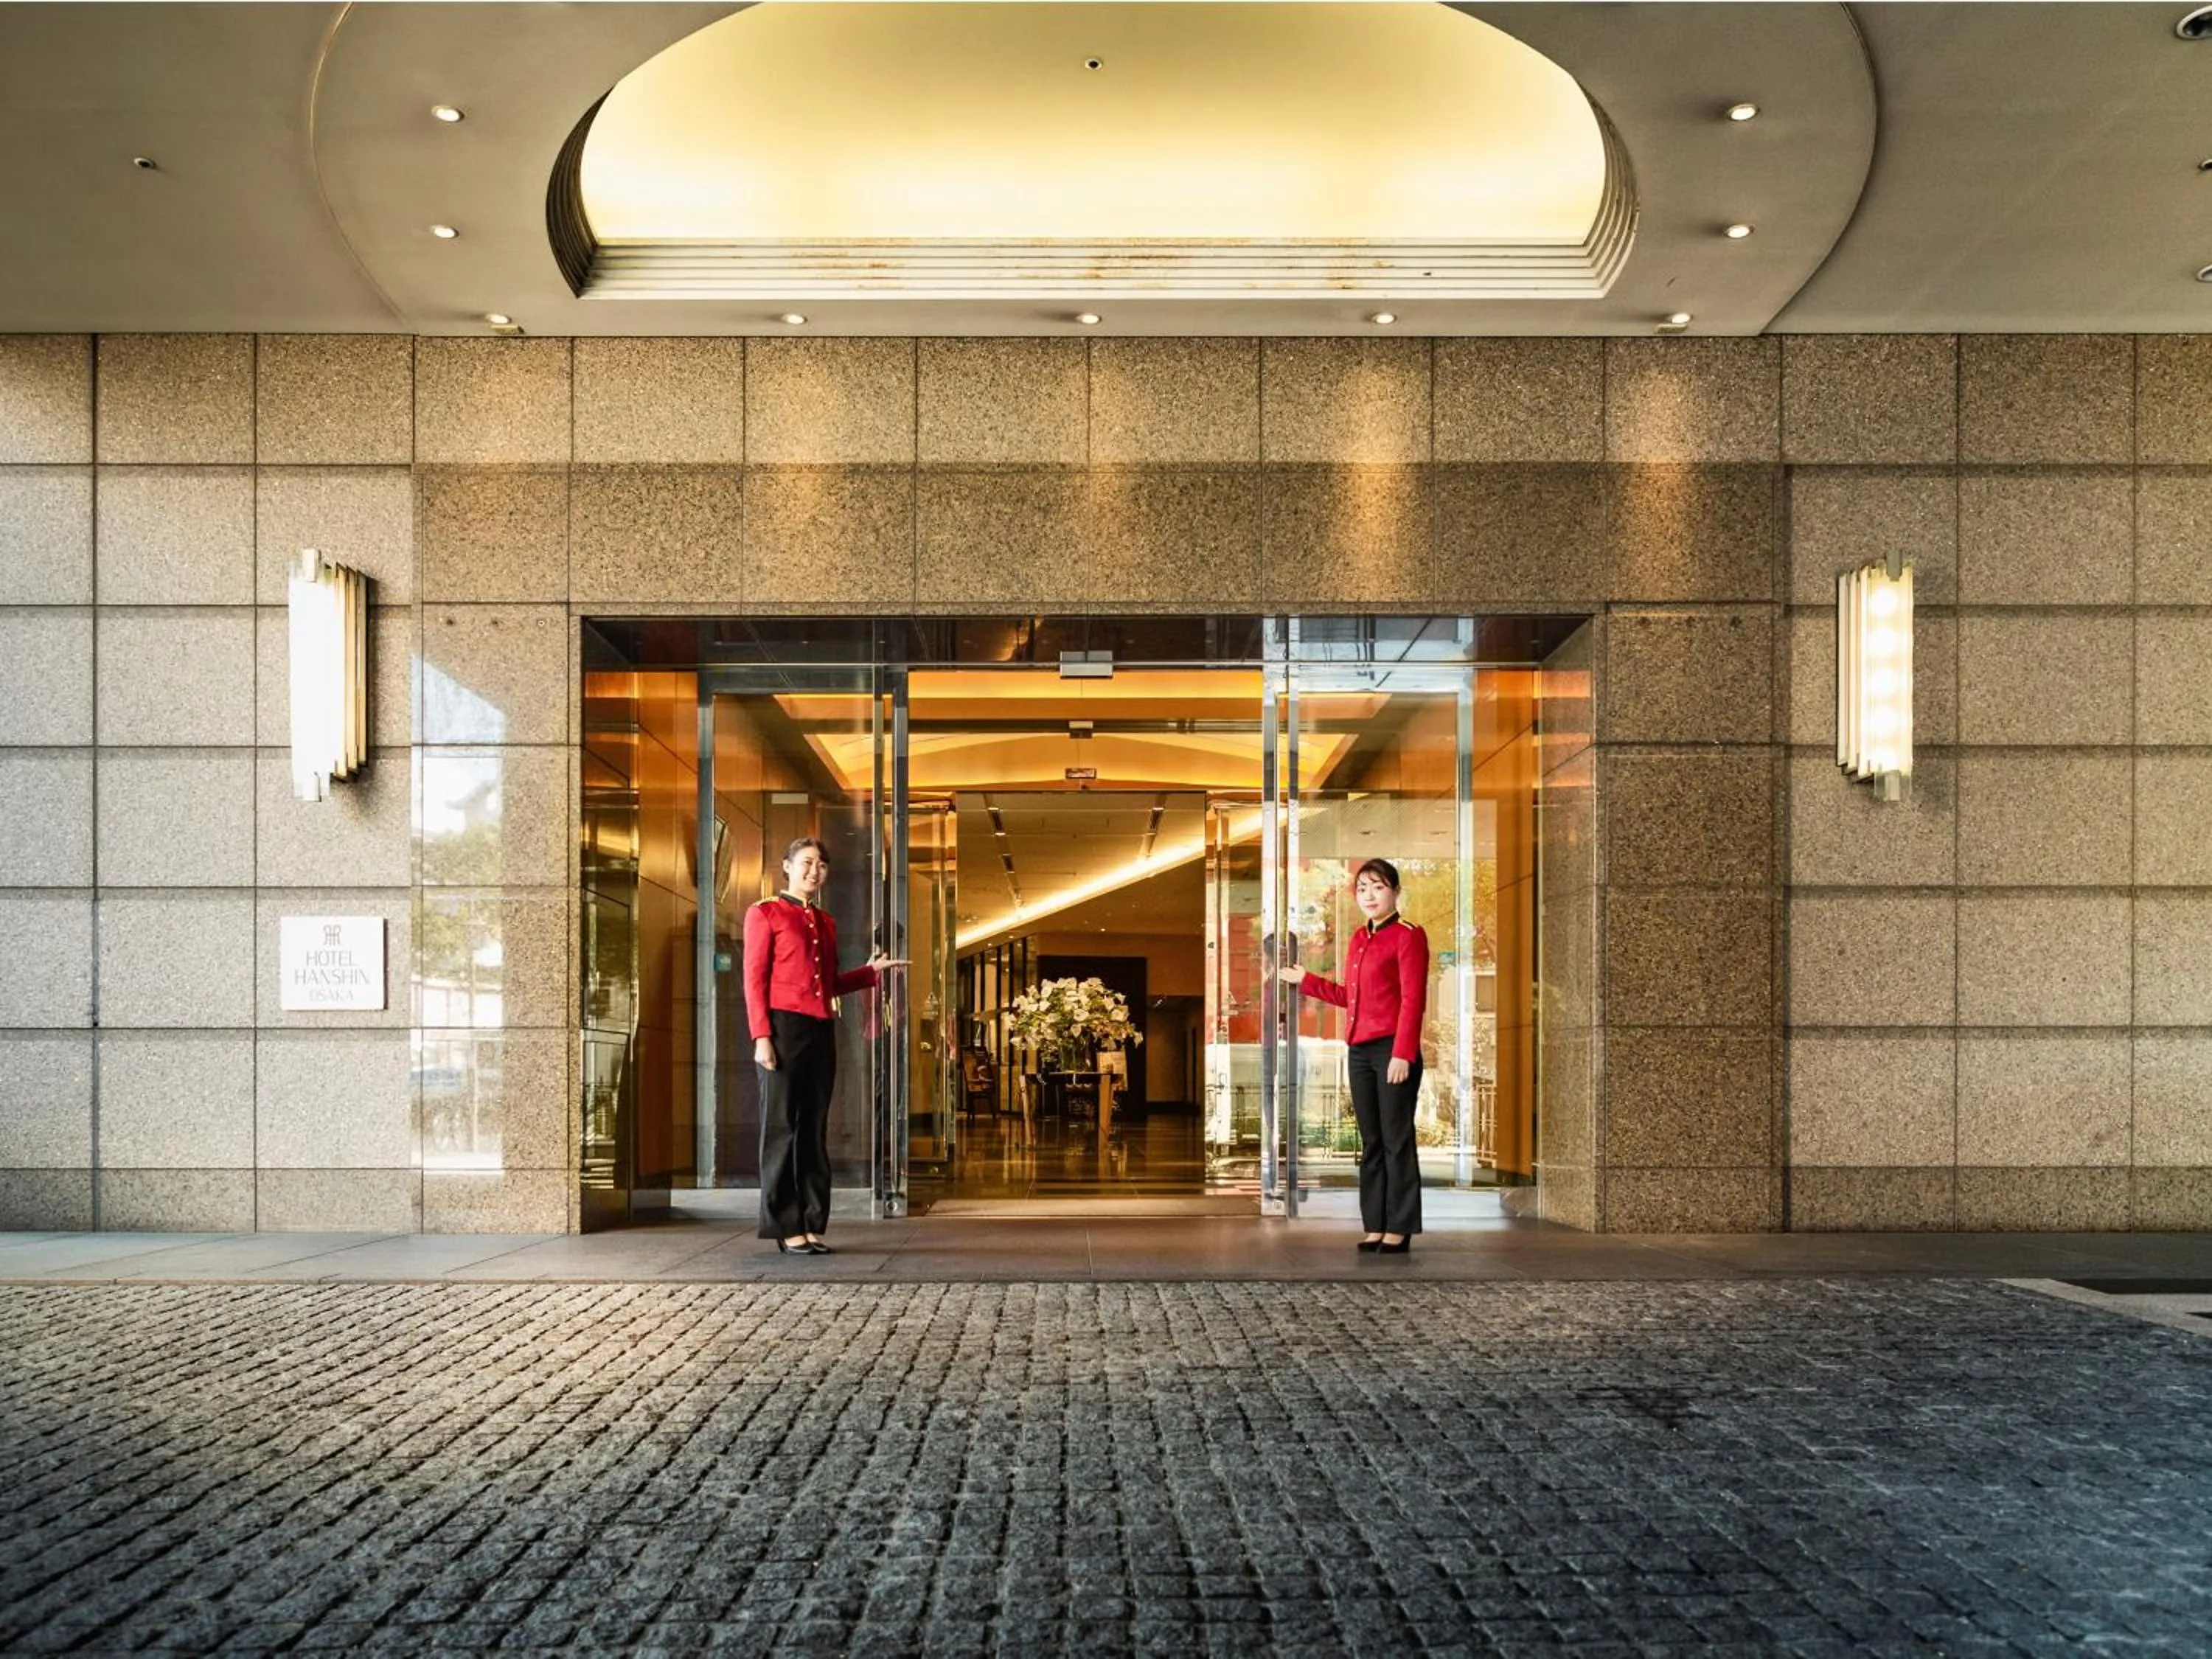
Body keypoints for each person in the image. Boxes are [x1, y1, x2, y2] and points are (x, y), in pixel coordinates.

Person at [743, 836, 905, 1255]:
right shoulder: (765, 913)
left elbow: (829, 984)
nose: (814, 871)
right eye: (807, 863)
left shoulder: (826, 922)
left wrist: (870, 973)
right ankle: (784, 1223)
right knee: (781, 1128)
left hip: (820, 1031)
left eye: (822, 865)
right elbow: (754, 980)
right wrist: (762, 1036)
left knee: (813, 1130)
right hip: (782, 1029)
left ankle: (812, 1222)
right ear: (787, 866)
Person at [1278, 858, 1429, 1253]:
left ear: (1395, 891)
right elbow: (1351, 997)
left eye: (1378, 887)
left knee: (1398, 1140)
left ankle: (1400, 1227)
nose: (1369, 895)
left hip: (1393, 1050)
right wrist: (1306, 981)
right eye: (1362, 888)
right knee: (1373, 1140)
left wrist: (1403, 1053)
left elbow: (1413, 1001)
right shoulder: (1360, 940)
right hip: (1360, 1052)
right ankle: (1375, 1224)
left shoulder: (1409, 936)